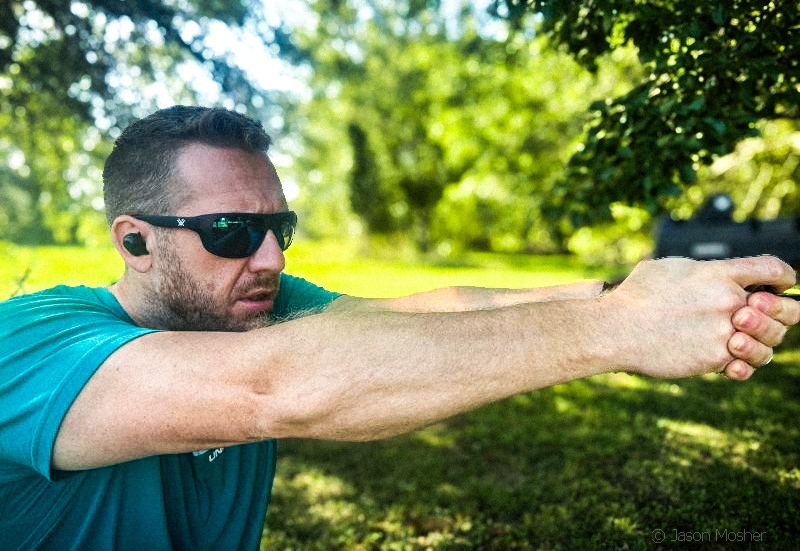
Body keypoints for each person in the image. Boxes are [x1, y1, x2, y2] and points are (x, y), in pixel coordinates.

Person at [0, 106, 797, 550]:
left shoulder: (249, 306)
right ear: (135, 242)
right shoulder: (29, 344)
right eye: (233, 231)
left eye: (280, 226)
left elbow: (418, 311)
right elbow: (277, 389)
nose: (271, 257)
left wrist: (626, 290)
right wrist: (621, 329)